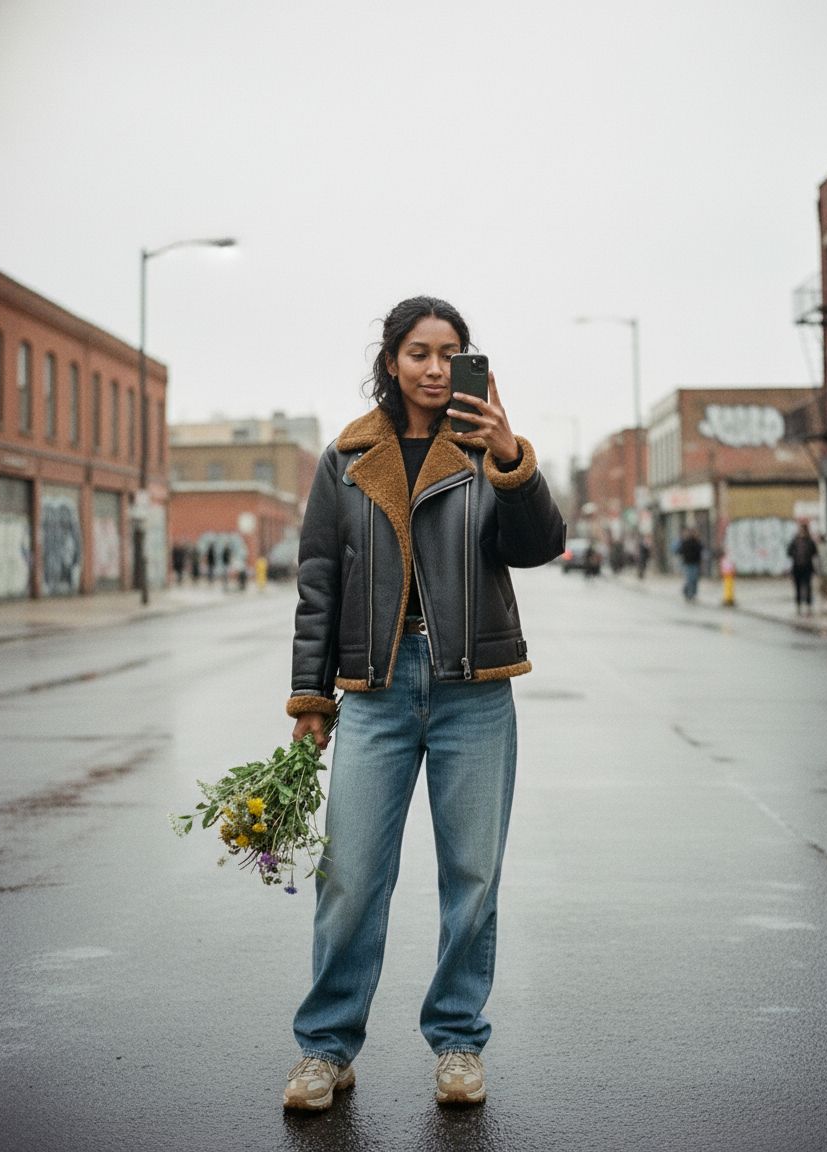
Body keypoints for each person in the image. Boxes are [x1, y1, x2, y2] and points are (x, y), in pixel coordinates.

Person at [283, 296, 565, 1112]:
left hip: (472, 688)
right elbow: (318, 584)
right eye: (419, 352)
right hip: (374, 688)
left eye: (451, 352)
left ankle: (456, 1043)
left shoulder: (485, 449)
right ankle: (325, 1049)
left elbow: (539, 545)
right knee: (351, 877)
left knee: (472, 878)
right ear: (393, 360)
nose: (437, 368)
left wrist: (512, 459)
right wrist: (311, 695)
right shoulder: (346, 457)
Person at [787, 521, 817, 615]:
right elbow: (788, 552)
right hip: (797, 567)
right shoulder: (794, 541)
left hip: (807, 567)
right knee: (798, 587)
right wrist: (796, 555)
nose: (802, 532)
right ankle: (798, 605)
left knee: (808, 586)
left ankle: (808, 605)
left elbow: (815, 552)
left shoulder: (810, 541)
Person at [677, 526, 703, 600]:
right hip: (688, 563)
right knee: (690, 579)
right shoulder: (685, 542)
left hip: (695, 563)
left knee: (694, 579)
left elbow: (700, 550)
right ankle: (689, 593)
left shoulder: (697, 541)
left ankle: (692, 593)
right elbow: (680, 551)